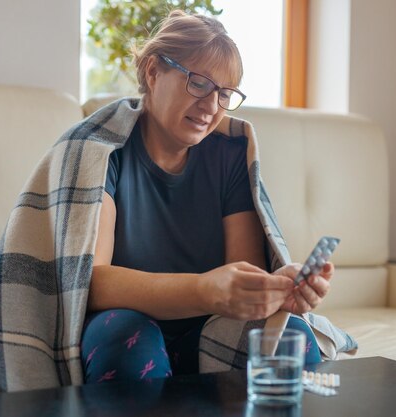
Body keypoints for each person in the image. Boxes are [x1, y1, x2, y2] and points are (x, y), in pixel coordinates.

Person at [80, 10, 334, 384]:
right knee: (128, 341)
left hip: (208, 329)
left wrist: (276, 290)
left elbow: (243, 275)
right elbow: (95, 283)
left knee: (290, 339)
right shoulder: (105, 151)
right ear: (153, 72)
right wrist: (204, 290)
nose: (211, 106)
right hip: (126, 320)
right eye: (199, 84)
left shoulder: (230, 154)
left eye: (225, 94)